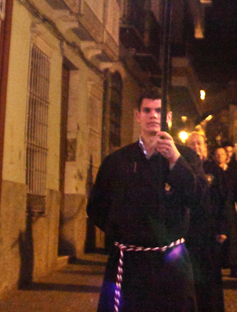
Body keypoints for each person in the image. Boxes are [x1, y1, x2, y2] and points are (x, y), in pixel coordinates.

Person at [87, 88, 206, 312]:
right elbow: (96, 207)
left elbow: (198, 198)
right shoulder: (117, 161)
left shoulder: (187, 158)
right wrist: (123, 232)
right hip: (129, 264)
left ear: (168, 117)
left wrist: (175, 160)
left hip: (171, 262)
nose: (153, 115)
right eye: (147, 110)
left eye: (159, 111)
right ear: (137, 115)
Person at [186, 135, 235, 312]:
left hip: (209, 232)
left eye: (199, 143)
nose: (196, 147)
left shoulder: (215, 171)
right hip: (187, 233)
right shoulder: (180, 168)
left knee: (210, 277)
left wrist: (223, 228)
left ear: (206, 147)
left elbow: (225, 201)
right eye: (192, 144)